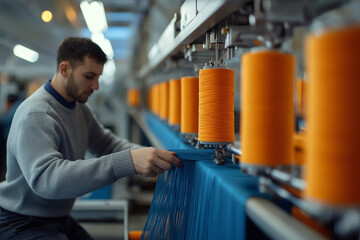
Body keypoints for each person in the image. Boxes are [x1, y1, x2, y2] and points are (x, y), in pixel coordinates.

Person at [0, 37, 181, 240]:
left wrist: (151, 156)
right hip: (21, 222)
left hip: (57, 217)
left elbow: (106, 144)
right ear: (64, 69)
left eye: (98, 77)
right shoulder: (37, 114)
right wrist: (128, 161)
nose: (95, 86)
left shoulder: (79, 109)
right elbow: (46, 179)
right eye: (89, 76)